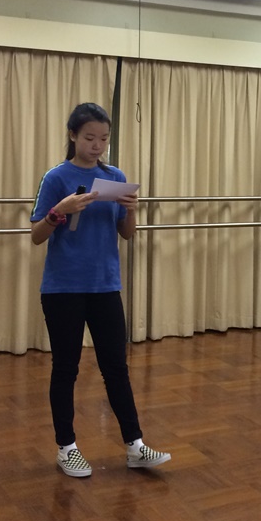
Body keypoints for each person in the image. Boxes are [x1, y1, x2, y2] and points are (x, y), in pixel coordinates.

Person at [30, 102, 170, 477]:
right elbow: (36, 236)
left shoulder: (114, 177)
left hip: (105, 285)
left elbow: (126, 234)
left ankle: (135, 446)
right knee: (66, 368)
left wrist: (131, 209)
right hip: (63, 288)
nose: (97, 146)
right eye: (90, 137)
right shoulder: (56, 177)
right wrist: (60, 210)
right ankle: (67, 447)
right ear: (73, 135)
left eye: (104, 139)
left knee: (116, 367)